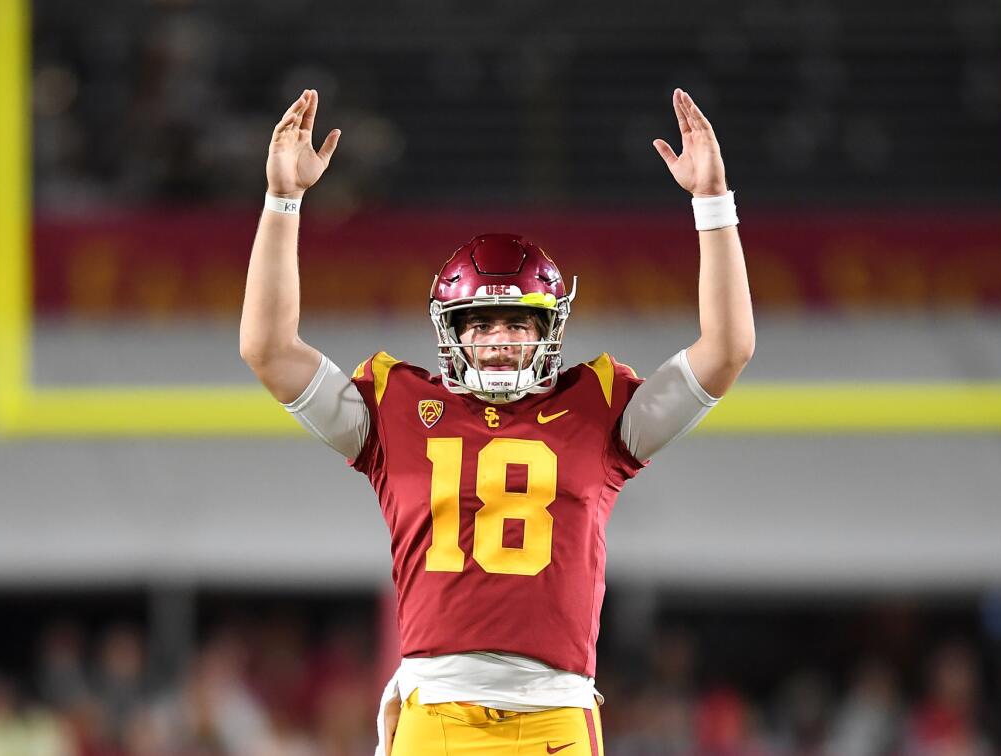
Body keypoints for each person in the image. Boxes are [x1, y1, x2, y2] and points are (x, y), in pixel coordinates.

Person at [240, 87, 755, 756]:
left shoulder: (596, 406)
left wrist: (713, 201)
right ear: (451, 333)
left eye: (519, 322)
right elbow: (269, 350)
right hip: (438, 713)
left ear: (550, 330)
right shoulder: (400, 407)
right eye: (480, 323)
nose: (501, 339)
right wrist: (283, 200)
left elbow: (726, 350)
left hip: (557, 716)